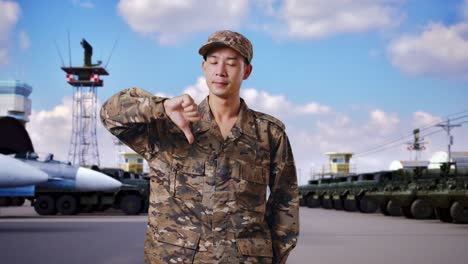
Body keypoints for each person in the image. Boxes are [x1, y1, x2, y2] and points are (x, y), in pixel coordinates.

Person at [100, 30, 299, 264]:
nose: (221, 71)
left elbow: (286, 207)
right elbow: (110, 114)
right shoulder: (170, 126)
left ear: (247, 71)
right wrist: (161, 108)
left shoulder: (269, 135)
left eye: (231, 63)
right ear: (204, 68)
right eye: (213, 62)